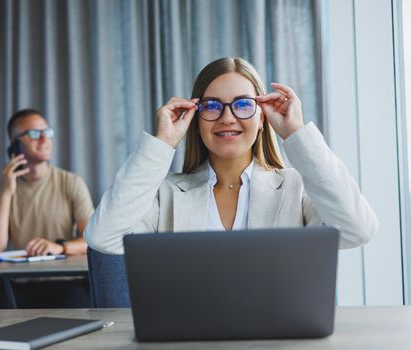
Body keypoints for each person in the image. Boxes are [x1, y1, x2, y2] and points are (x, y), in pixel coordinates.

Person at [84, 57, 378, 254]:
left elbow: (358, 230)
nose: (227, 118)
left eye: (242, 104)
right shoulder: (165, 195)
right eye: (212, 106)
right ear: (196, 120)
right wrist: (163, 143)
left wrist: (295, 134)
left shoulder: (295, 188)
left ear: (262, 117)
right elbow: (103, 237)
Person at [0, 108, 94, 308]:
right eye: (34, 134)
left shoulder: (71, 182)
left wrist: (60, 247)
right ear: (15, 144)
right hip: (18, 284)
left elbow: (93, 241)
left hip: (66, 283)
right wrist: (8, 191)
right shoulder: (0, 190)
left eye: (47, 132)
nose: (44, 139)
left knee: (81, 313)